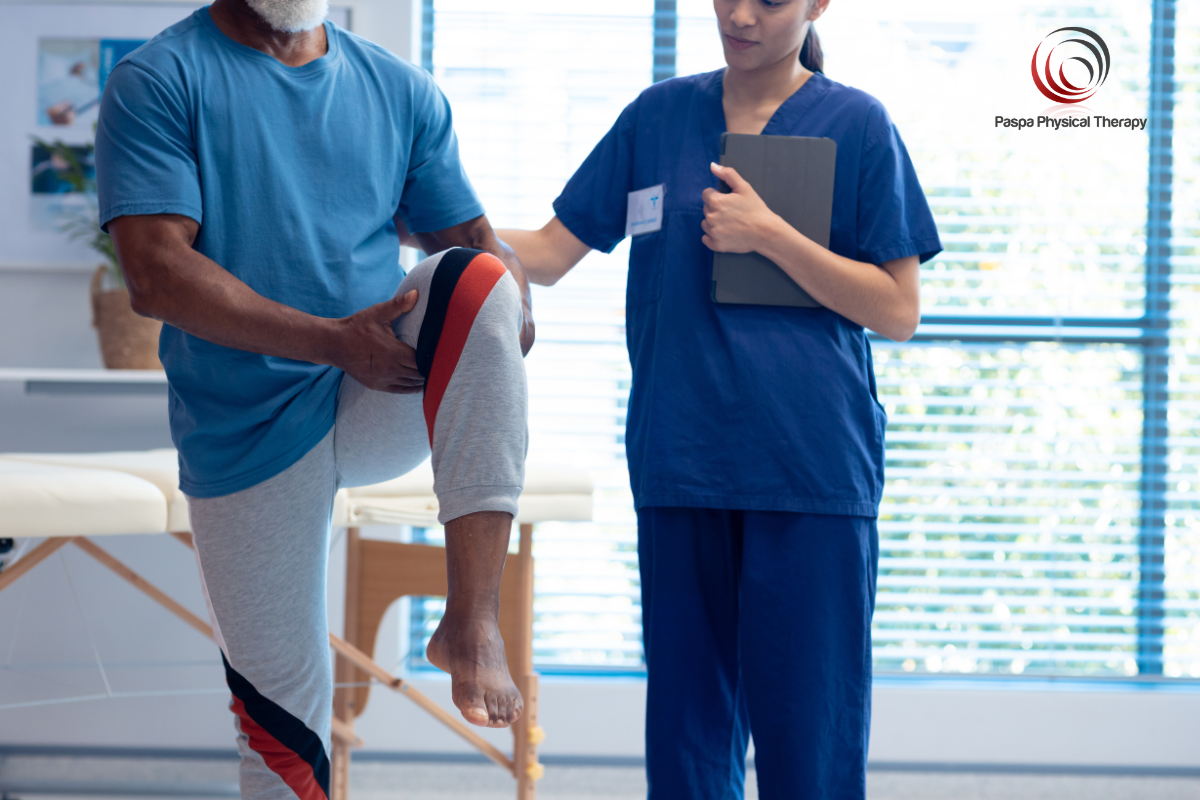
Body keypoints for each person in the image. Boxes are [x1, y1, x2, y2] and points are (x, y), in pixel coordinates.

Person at [499, 0, 941, 797]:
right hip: (683, 459)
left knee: (808, 746)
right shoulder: (658, 118)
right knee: (685, 746)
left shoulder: (859, 126)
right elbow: (547, 254)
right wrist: (420, 222)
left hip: (809, 473)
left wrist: (769, 233)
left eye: (769, 1)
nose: (739, 16)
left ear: (815, 6)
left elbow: (898, 309)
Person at [95, 0, 534, 797]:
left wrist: (511, 311)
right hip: (248, 428)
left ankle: (469, 621)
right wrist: (336, 341)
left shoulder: (402, 91)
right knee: (281, 723)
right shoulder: (159, 79)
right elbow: (155, 274)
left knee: (482, 282)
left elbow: (470, 242)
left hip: (377, 394)